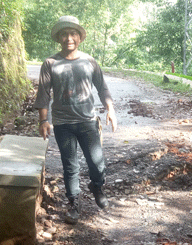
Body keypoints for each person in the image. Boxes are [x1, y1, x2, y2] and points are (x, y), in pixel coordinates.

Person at [34, 15, 117, 224]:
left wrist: (110, 109)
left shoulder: (89, 61)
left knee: (97, 163)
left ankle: (96, 186)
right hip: (63, 124)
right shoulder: (50, 63)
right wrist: (44, 121)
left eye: (73, 34)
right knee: (70, 165)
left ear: (79, 38)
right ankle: (73, 202)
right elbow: (43, 94)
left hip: (88, 121)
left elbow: (102, 86)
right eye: (64, 34)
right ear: (59, 38)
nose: (68, 38)